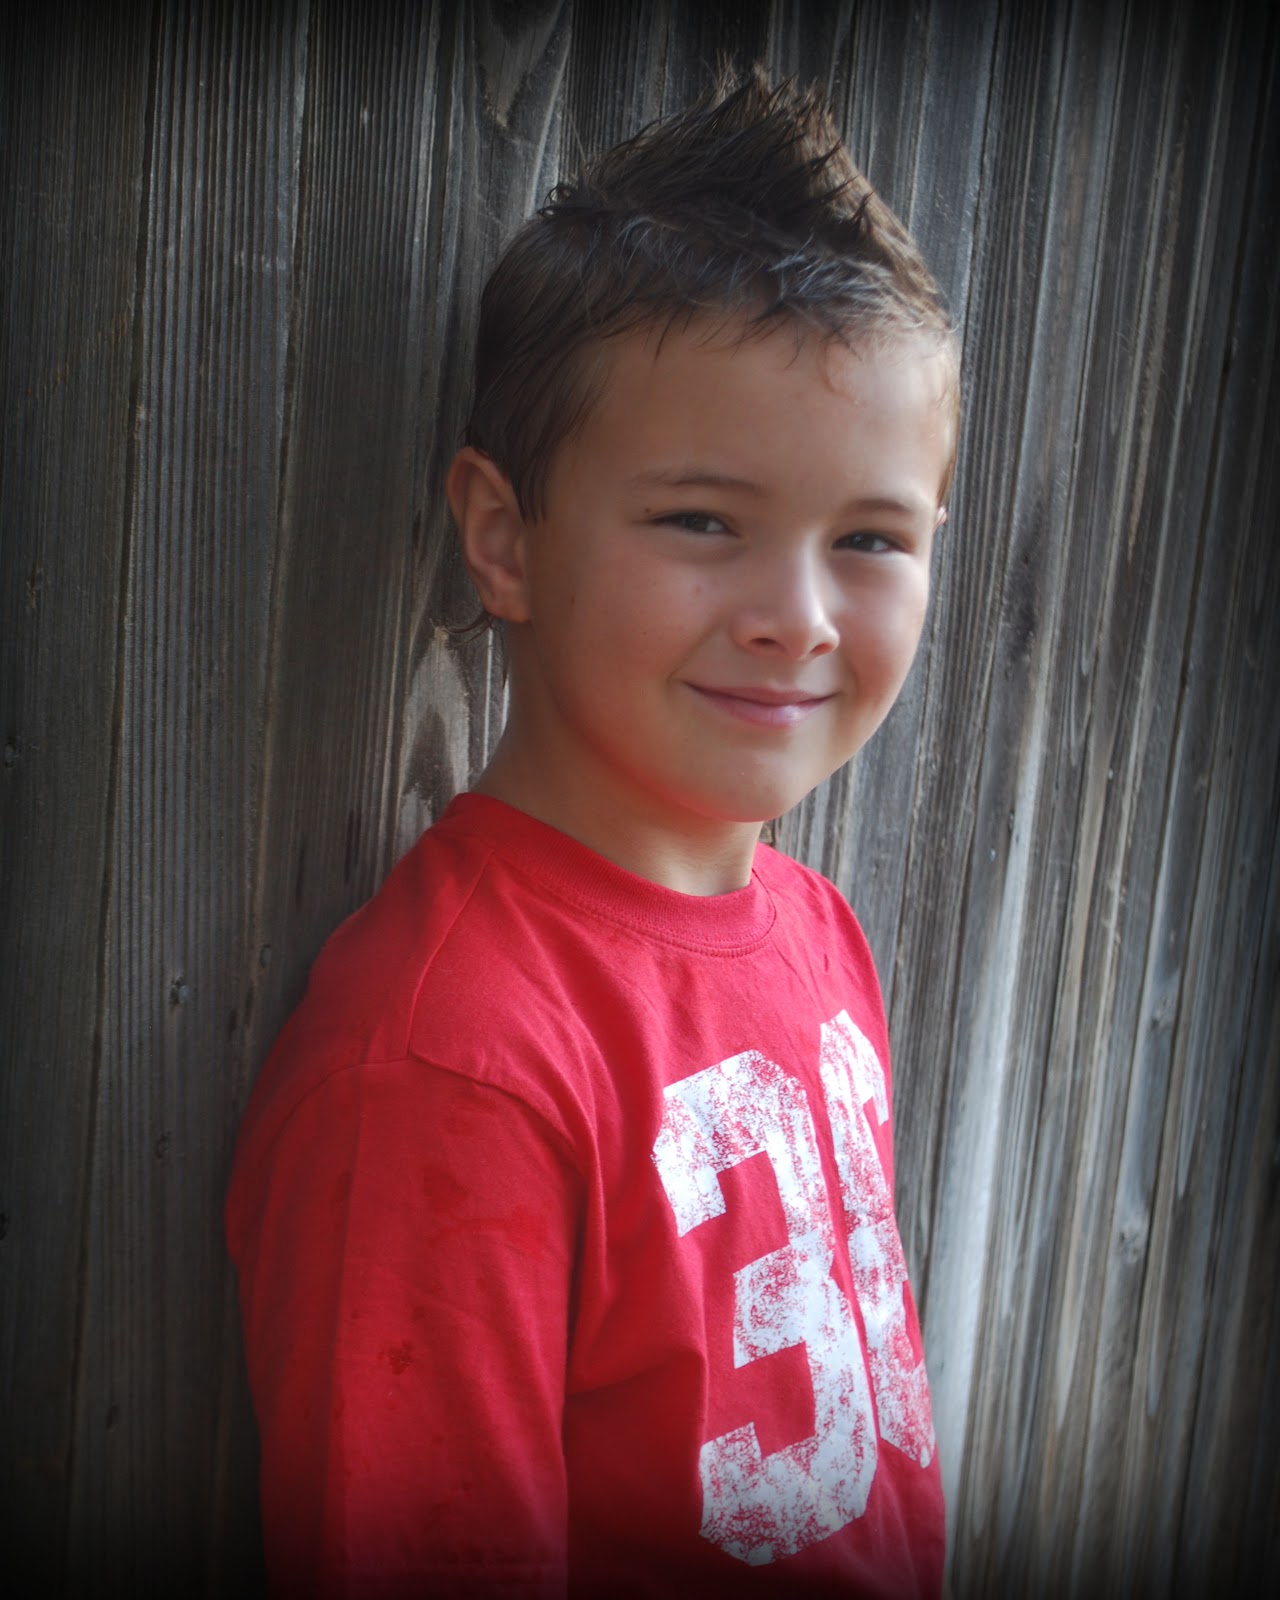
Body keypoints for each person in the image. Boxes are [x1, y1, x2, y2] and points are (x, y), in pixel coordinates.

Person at [226, 66, 958, 1600]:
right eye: (703, 521)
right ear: (505, 538)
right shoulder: (449, 1062)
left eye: (871, 538)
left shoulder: (819, 933)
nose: (800, 618)